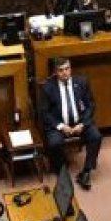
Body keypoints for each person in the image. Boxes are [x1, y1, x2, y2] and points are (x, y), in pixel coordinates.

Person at [37, 57, 102, 190]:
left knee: (96, 136)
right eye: (61, 70)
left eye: (67, 69)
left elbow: (91, 105)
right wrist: (61, 126)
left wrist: (83, 124)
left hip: (80, 122)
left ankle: (86, 171)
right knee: (54, 143)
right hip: (59, 124)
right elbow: (44, 112)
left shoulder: (81, 82)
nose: (65, 73)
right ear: (56, 72)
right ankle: (61, 168)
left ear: (70, 69)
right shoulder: (48, 88)